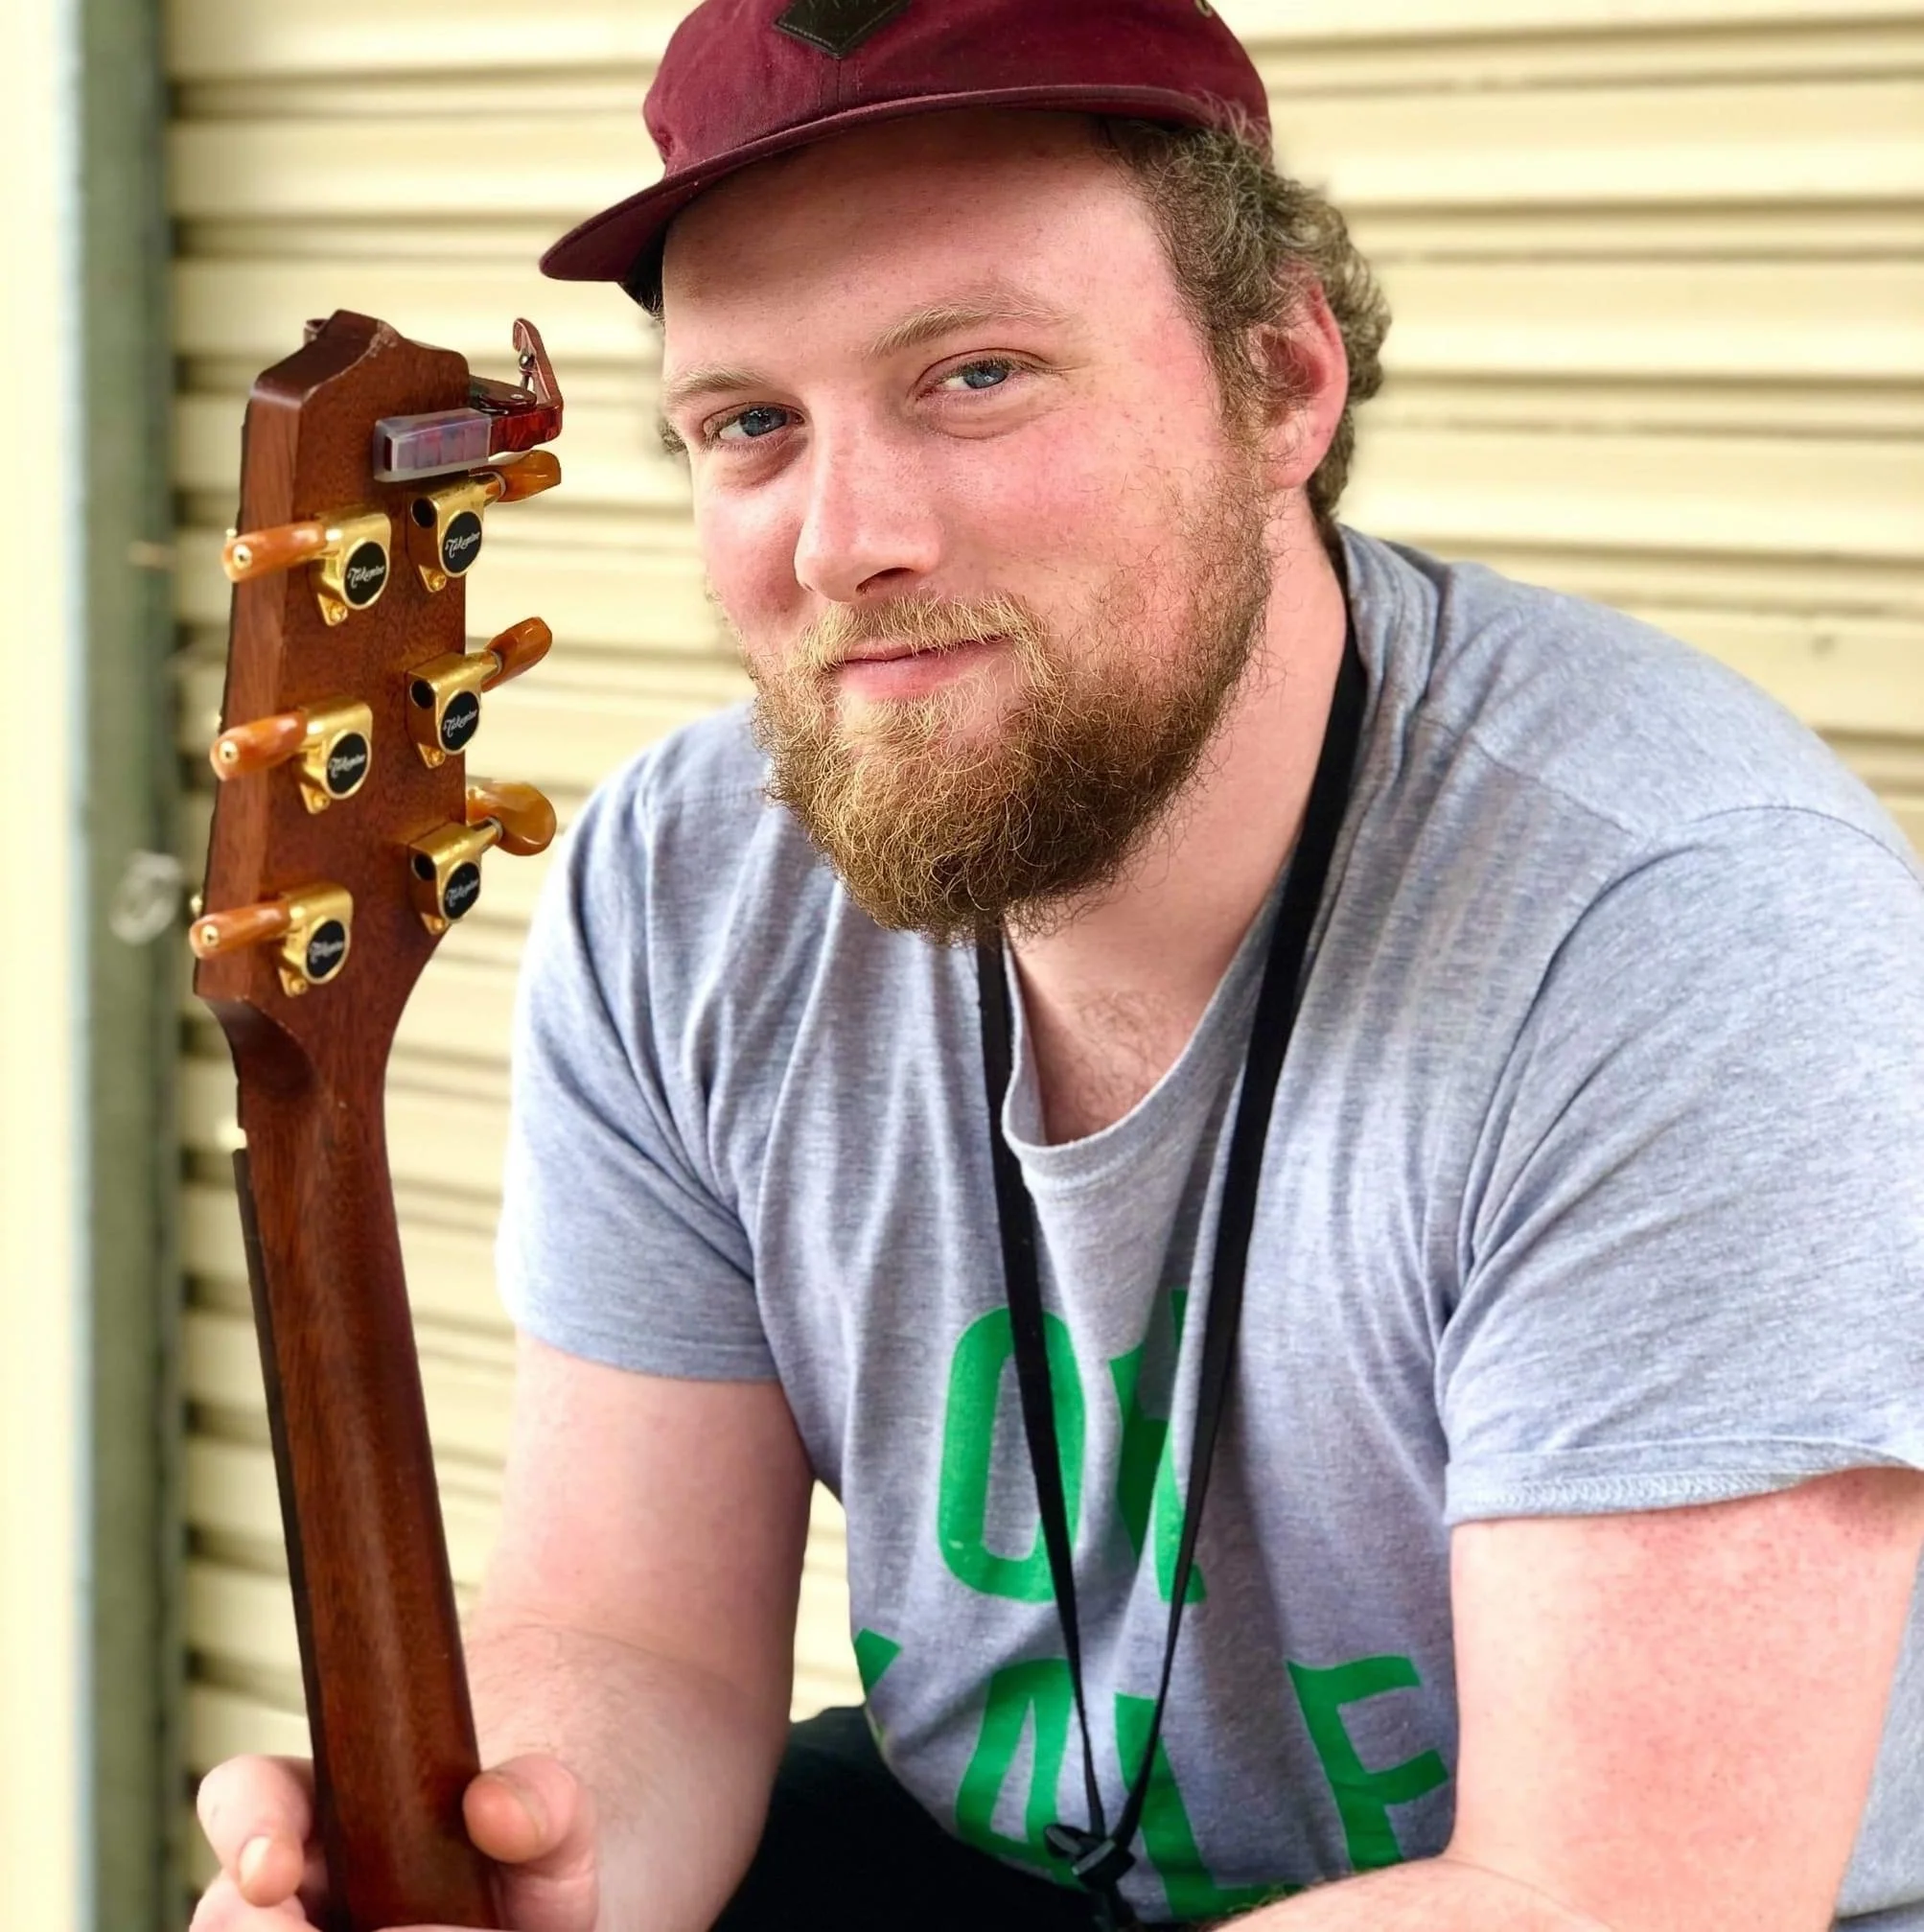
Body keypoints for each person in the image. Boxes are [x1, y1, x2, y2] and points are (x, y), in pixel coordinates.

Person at [192, 2, 1924, 1928]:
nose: (850, 538)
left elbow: (1604, 1896)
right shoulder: (680, 882)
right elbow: (633, 1637)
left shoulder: (1676, 921)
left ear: (1278, 383)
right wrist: (527, 1846)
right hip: (1006, 1865)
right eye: (748, 423)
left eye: (976, 373)